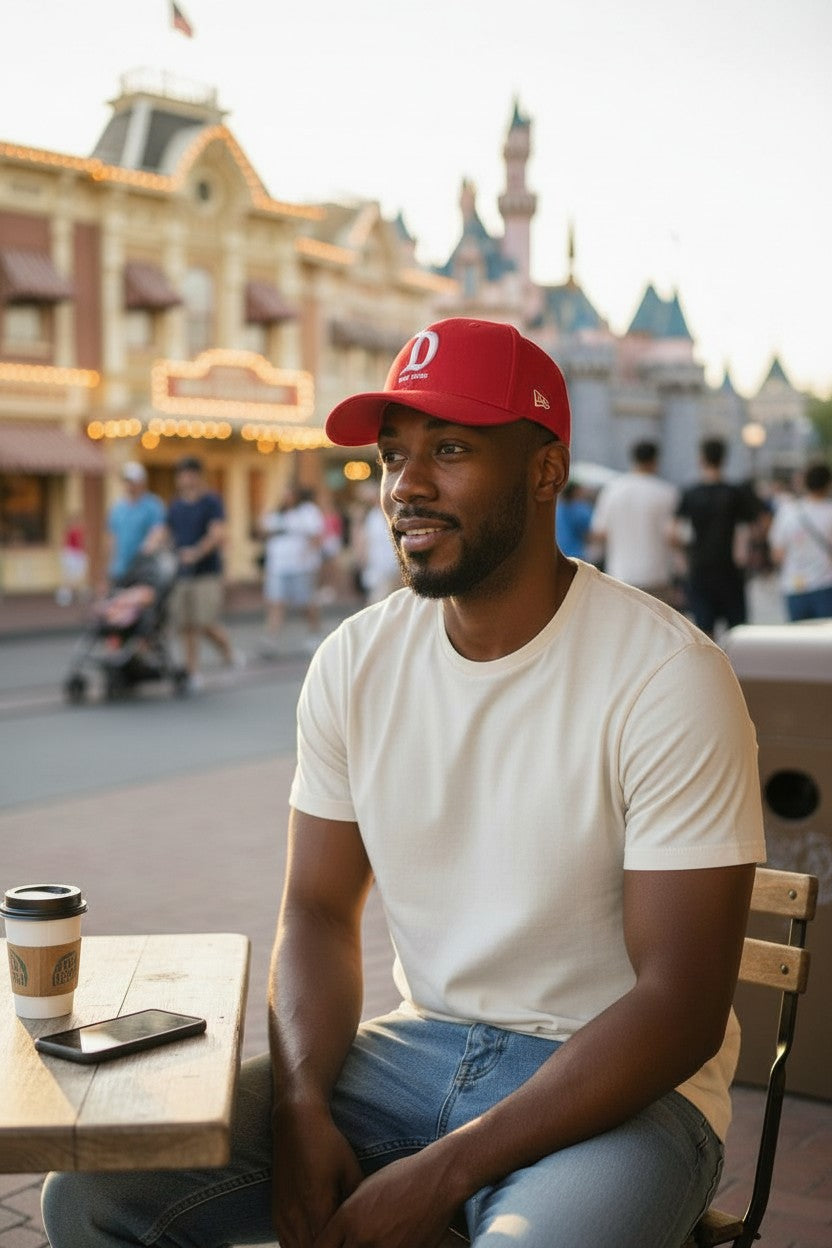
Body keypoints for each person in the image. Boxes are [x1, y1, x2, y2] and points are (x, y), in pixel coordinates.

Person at [42, 318, 765, 1248]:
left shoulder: (667, 676)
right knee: (91, 1199)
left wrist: (445, 1173)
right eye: (393, 456)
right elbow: (315, 908)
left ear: (546, 471)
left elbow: (682, 1006)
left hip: (626, 1088)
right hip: (410, 1056)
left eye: (451, 449)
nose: (406, 487)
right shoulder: (355, 660)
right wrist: (303, 1106)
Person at [676, 437, 763, 637]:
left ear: (702, 459)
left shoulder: (690, 493)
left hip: (700, 568)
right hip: (730, 569)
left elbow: (673, 532)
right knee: (737, 631)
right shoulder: (734, 492)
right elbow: (751, 529)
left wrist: (683, 562)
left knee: (705, 631)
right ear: (724, 459)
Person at [163, 455, 235, 686]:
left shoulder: (210, 502)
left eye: (190, 474)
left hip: (206, 572)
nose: (186, 479)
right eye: (182, 475)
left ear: (197, 476)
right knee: (187, 625)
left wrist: (197, 552)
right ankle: (192, 671)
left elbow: (216, 533)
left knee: (205, 622)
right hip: (182, 573)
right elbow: (165, 531)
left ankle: (228, 652)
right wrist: (150, 546)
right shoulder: (175, 505)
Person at [589, 440, 679, 600]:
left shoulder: (612, 489)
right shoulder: (667, 492)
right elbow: (673, 536)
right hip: (656, 574)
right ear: (655, 461)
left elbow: (599, 533)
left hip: (620, 574)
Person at [260, 484, 326, 653]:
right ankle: (271, 639)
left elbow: (317, 536)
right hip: (278, 567)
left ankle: (315, 633)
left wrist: (307, 555)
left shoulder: (307, 512)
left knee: (305, 603)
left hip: (301, 567)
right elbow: (263, 533)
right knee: (276, 603)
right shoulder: (277, 515)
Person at [768, 461, 832, 621]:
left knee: (798, 642)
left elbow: (777, 555)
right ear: (828, 484)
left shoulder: (788, 511)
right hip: (825, 586)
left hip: (794, 586)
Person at [106, 461, 165, 586]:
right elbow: (112, 539)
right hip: (120, 570)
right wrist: (109, 567)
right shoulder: (117, 508)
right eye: (127, 481)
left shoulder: (152, 505)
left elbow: (158, 532)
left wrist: (147, 550)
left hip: (143, 571)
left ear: (141, 482)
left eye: (132, 481)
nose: (129, 485)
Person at [554, 479, 594, 560]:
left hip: (557, 554)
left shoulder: (556, 509)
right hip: (575, 556)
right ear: (575, 491)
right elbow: (588, 535)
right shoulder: (580, 509)